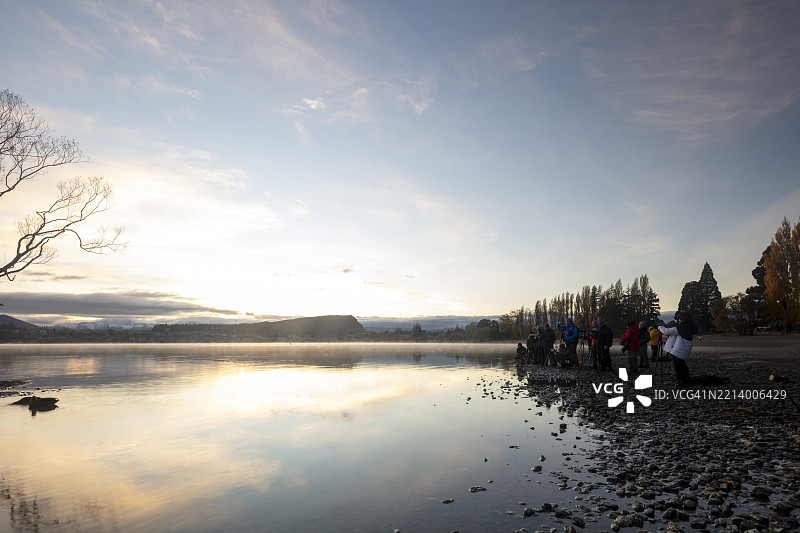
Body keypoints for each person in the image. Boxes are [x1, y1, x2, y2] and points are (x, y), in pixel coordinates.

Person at [659, 312, 698, 388]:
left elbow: (667, 331)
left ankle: (684, 383)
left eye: (679, 319)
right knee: (681, 366)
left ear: (683, 319)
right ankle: (685, 382)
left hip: (680, 349)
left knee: (679, 368)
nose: (679, 320)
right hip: (683, 348)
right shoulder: (689, 326)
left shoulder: (684, 327)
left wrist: (660, 327)